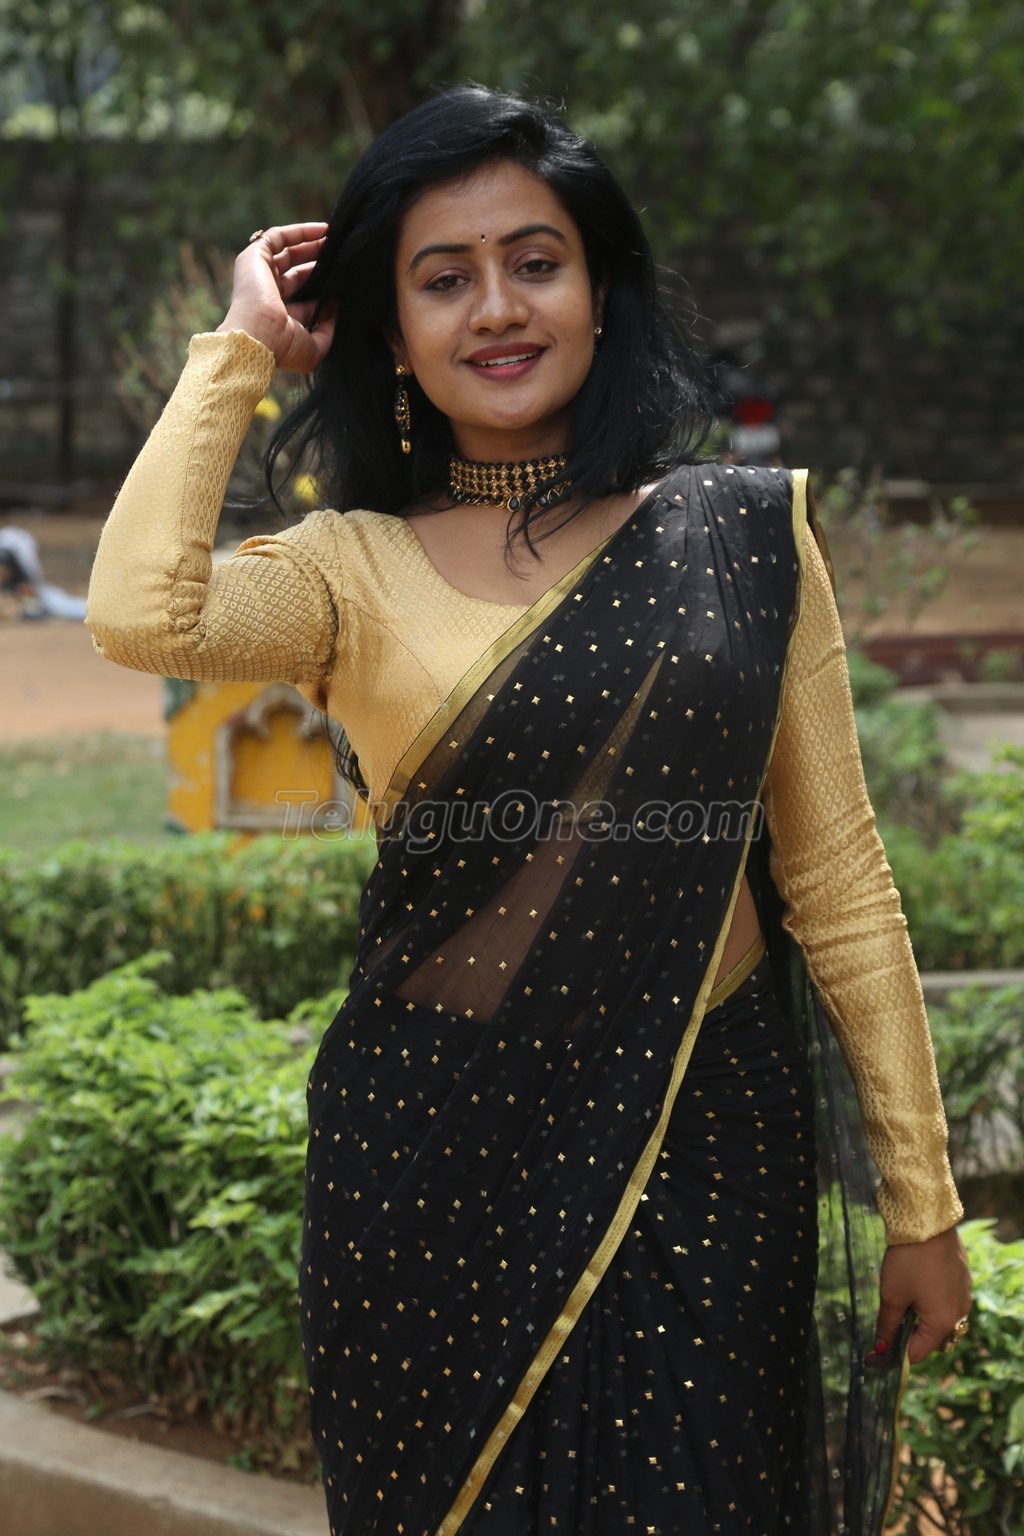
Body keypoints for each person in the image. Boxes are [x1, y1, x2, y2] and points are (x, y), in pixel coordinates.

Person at [85, 86, 971, 1536]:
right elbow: (138, 613)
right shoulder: (347, 569)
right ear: (390, 331)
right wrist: (242, 346)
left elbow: (841, 878)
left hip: (707, 1143)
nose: (496, 307)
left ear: (600, 290)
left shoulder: (742, 534)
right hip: (432, 1163)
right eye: (443, 280)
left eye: (535, 262)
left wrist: (920, 1203)